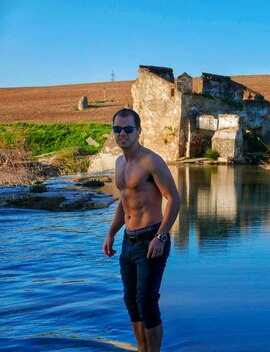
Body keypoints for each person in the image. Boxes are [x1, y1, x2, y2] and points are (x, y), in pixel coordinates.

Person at [103, 108, 181, 352]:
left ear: (138, 131)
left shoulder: (151, 161)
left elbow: (174, 199)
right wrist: (112, 232)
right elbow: (125, 201)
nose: (122, 134)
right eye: (117, 129)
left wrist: (161, 236)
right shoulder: (118, 163)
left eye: (128, 129)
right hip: (129, 240)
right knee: (131, 301)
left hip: (151, 238)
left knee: (147, 301)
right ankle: (141, 349)